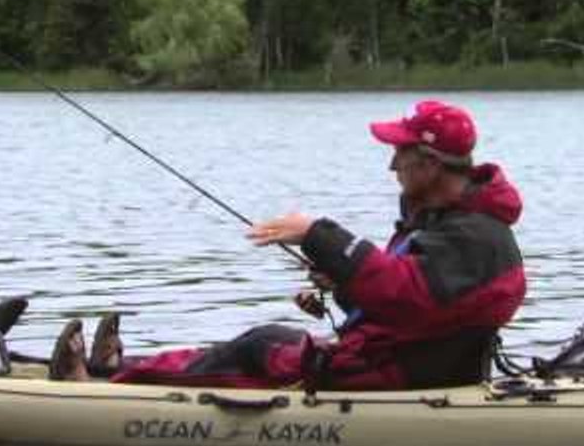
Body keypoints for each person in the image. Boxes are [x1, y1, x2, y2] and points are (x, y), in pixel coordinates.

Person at [50, 100, 526, 390]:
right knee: (267, 339)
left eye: (399, 154)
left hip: (398, 372)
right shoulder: (453, 224)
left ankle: (100, 386)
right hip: (399, 355)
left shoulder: (473, 236)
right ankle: (117, 368)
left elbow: (405, 292)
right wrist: (341, 281)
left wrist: (319, 234)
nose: (391, 167)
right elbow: (407, 300)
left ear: (429, 163)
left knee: (256, 349)